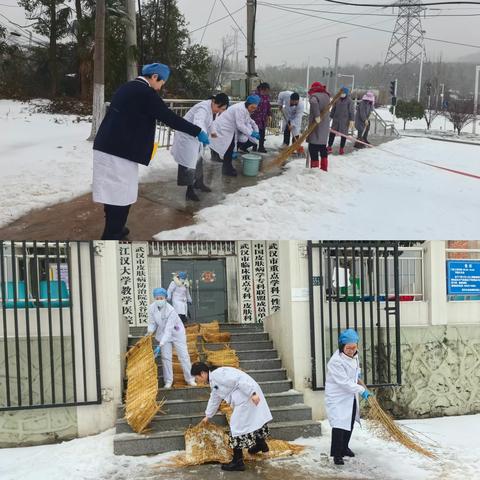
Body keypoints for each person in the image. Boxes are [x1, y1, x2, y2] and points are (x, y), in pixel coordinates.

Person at [92, 63, 210, 240]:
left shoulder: (129, 87)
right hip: (118, 151)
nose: (162, 86)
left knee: (115, 193)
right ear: (154, 77)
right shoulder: (145, 93)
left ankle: (115, 227)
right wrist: (197, 131)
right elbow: (169, 118)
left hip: (111, 147)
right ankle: (111, 234)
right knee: (120, 195)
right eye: (162, 82)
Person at [191, 362, 273, 471]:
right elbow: (215, 398)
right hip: (246, 396)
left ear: (202, 373)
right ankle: (261, 446)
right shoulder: (214, 379)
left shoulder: (217, 375)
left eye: (197, 378)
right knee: (252, 421)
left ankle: (238, 462)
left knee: (236, 426)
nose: (197, 381)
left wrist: (252, 393)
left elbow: (238, 380)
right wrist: (208, 415)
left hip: (247, 395)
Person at [324, 329, 372, 466]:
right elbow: (344, 382)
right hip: (338, 397)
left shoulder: (355, 355)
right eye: (348, 348)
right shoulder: (335, 361)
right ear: (341, 346)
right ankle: (337, 455)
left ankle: (344, 447)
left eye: (354, 347)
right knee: (339, 425)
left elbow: (356, 369)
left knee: (349, 421)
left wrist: (358, 375)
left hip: (350, 395)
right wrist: (362, 390)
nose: (351, 350)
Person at [171, 93, 229, 201]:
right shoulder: (203, 108)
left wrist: (213, 132)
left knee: (198, 161)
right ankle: (189, 190)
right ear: (215, 103)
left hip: (194, 137)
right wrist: (201, 133)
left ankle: (199, 183)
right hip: (186, 137)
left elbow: (210, 122)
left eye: (223, 109)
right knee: (189, 164)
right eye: (220, 108)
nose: (220, 111)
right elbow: (199, 121)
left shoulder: (212, 108)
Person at [147, 287, 196, 389]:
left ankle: (190, 379)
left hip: (176, 333)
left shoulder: (171, 310)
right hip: (162, 334)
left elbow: (169, 330)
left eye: (161, 298)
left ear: (165, 298)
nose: (159, 300)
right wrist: (150, 331)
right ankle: (168, 381)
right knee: (166, 358)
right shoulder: (151, 308)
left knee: (183, 356)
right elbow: (152, 323)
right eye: (157, 298)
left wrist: (160, 344)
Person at [210, 95, 261, 177]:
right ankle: (227, 170)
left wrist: (254, 132)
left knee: (230, 148)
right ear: (248, 104)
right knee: (228, 148)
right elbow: (240, 125)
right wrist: (251, 133)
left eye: (255, 108)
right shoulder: (240, 109)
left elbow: (247, 122)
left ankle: (228, 168)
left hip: (230, 129)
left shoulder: (246, 109)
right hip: (224, 128)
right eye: (252, 107)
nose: (253, 109)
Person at [306, 82, 331, 171]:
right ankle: (324, 167)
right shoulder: (326, 96)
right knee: (323, 147)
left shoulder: (314, 96)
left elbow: (313, 102)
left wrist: (316, 116)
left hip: (316, 124)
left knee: (313, 147)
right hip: (324, 124)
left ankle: (314, 168)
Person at [328, 87, 354, 155]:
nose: (342, 94)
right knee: (332, 133)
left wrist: (352, 120)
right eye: (341, 93)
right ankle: (329, 146)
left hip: (345, 121)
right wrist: (330, 116)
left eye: (343, 93)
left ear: (346, 93)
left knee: (344, 135)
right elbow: (333, 109)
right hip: (336, 120)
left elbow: (351, 111)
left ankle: (341, 148)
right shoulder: (337, 99)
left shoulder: (350, 101)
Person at [250, 82, 272, 153]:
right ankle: (254, 146)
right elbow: (251, 106)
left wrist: (269, 114)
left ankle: (261, 147)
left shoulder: (266, 96)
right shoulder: (255, 95)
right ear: (262, 89)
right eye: (266, 91)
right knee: (256, 132)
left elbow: (268, 106)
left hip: (263, 118)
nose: (267, 92)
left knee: (262, 133)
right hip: (256, 118)